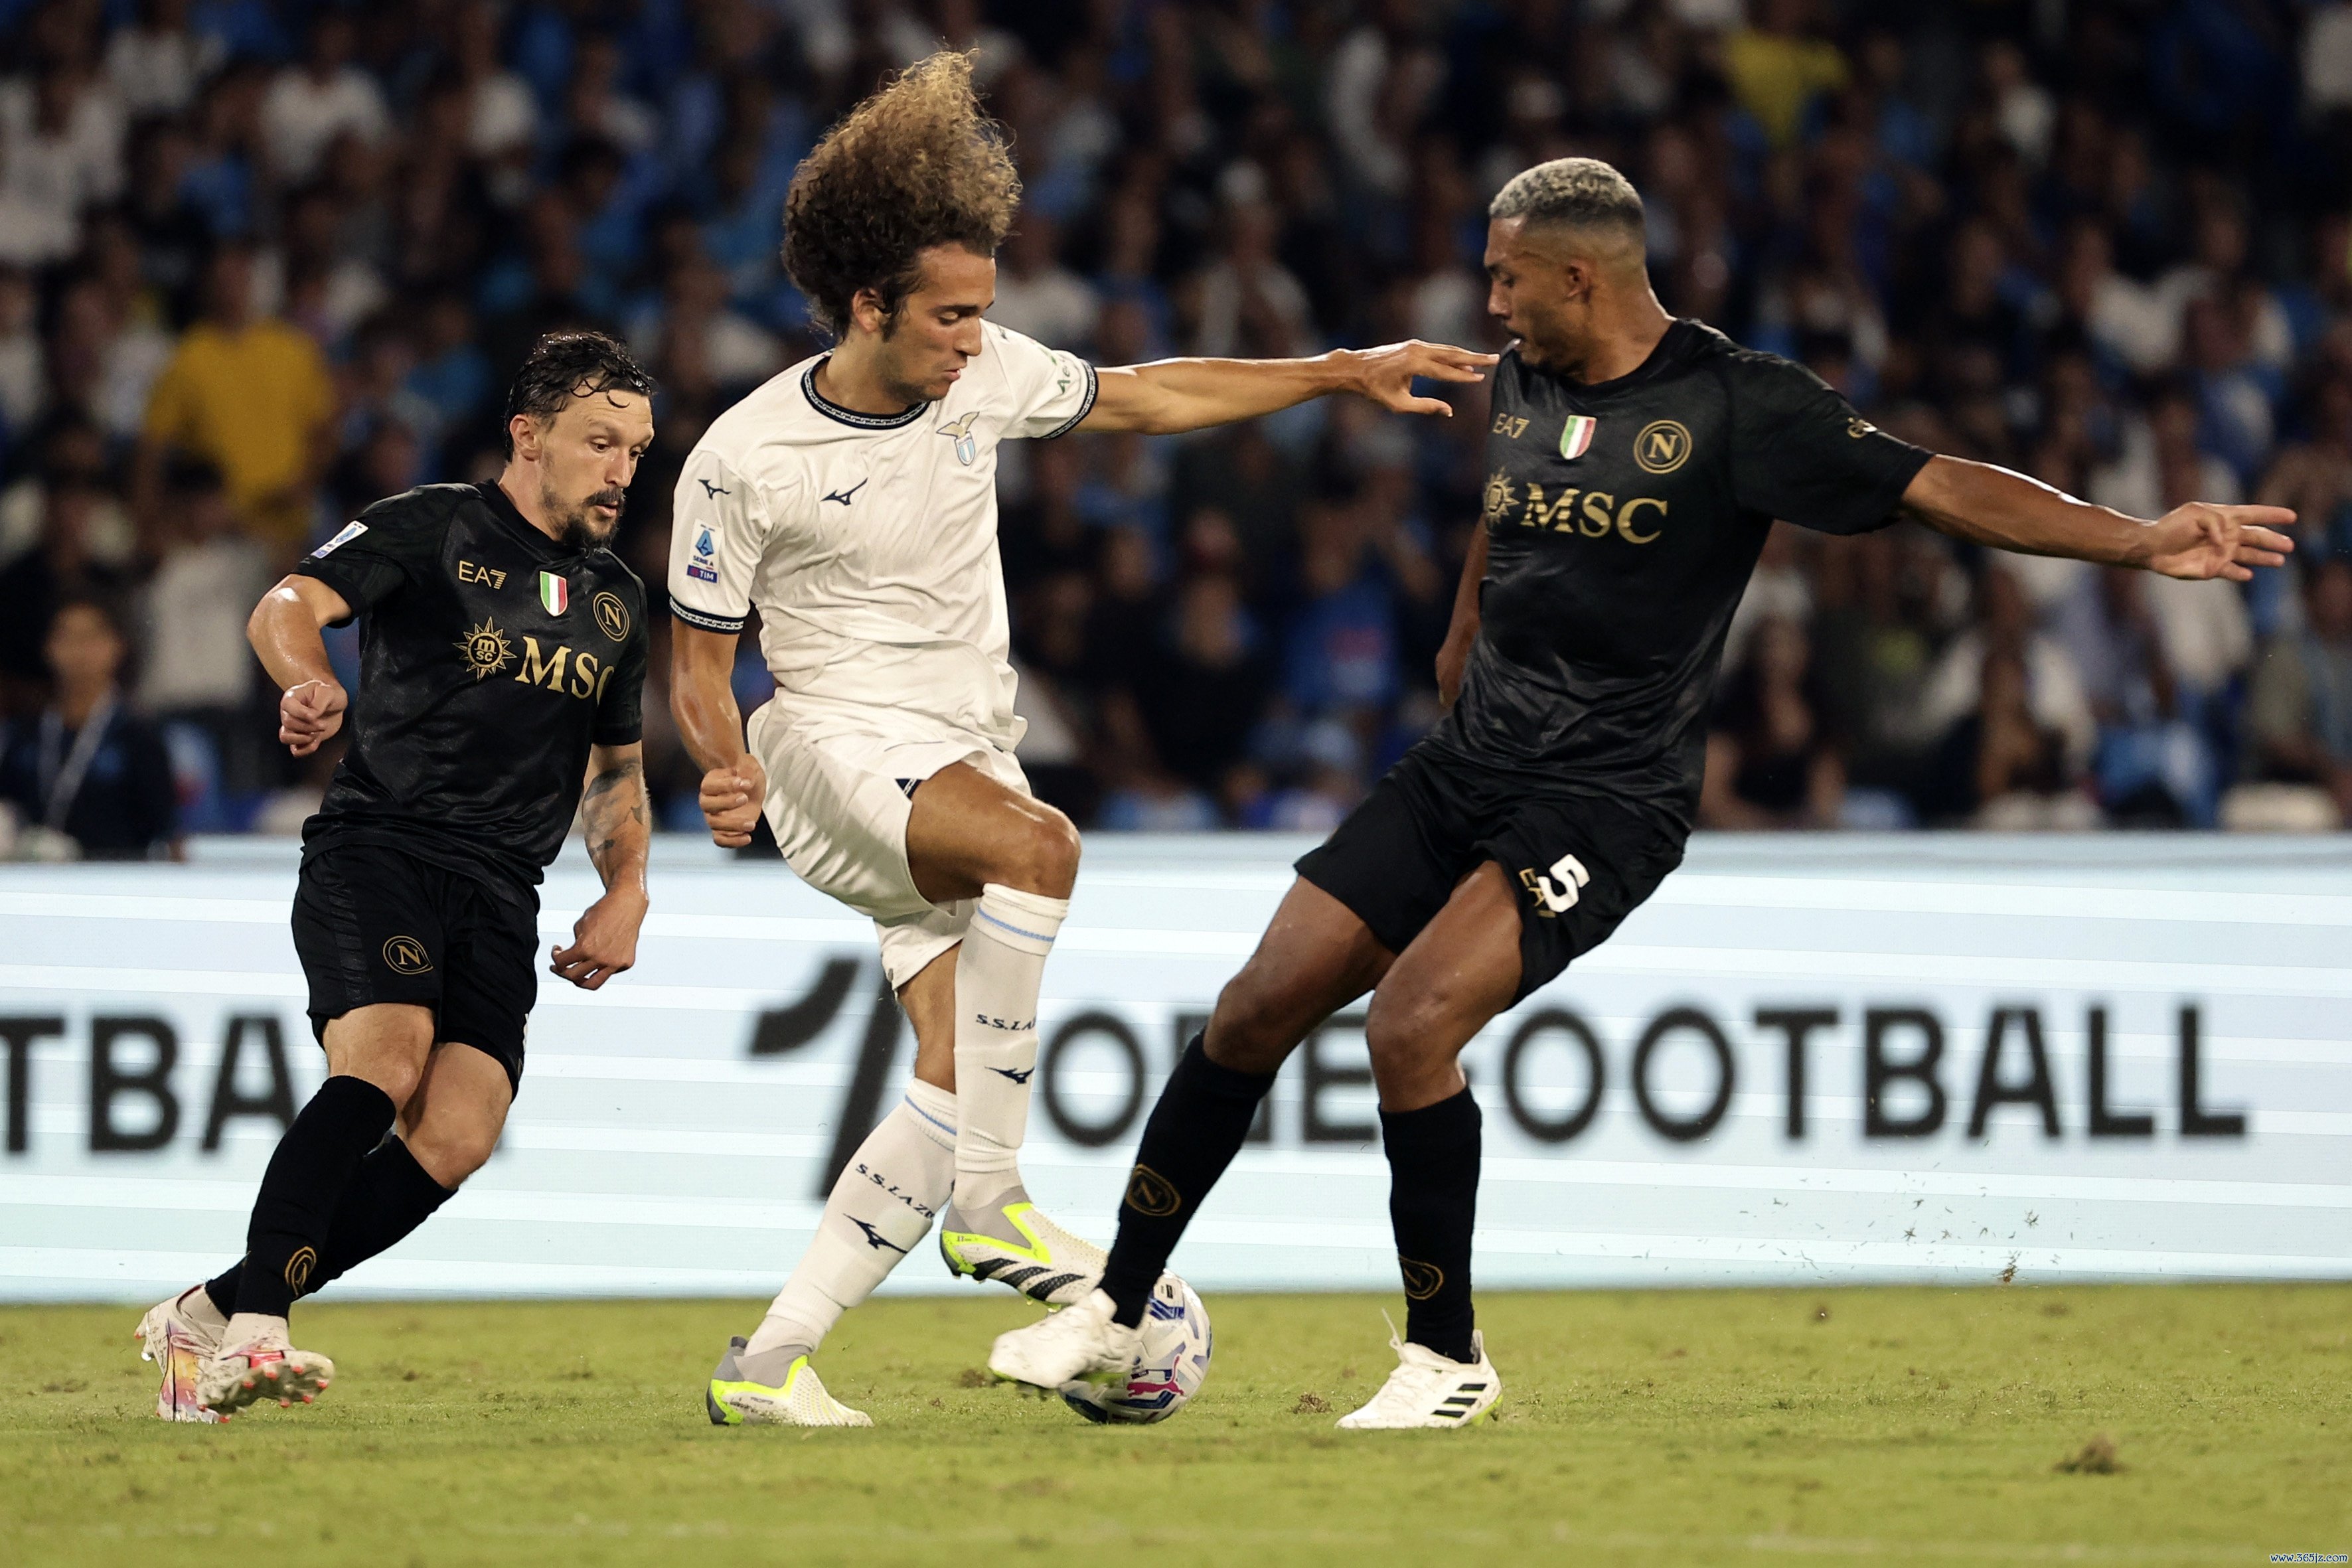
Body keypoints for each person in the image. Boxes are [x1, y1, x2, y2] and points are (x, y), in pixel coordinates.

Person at [987, 156, 2296, 1429]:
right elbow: (1509, 506)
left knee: (1409, 1026)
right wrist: (1461, 627)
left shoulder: (1738, 405)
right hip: (1467, 761)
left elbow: (1934, 485)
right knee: (1253, 1004)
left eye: (1506, 280)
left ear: (1579, 277)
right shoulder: (1521, 377)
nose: (1488, 304)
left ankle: (1444, 1355)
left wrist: (2134, 538)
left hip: (1604, 797)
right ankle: (1116, 1303)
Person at [664, 51, 1491, 1427]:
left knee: (946, 1079)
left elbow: (1150, 394)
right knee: (1040, 851)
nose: (972, 339)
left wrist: (1337, 371)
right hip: (826, 743)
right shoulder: (744, 456)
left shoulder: (982, 377)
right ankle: (996, 1203)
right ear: (866, 305)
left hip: (954, 754)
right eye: (949, 316)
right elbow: (696, 661)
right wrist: (722, 761)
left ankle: (767, 1362)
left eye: (983, 313)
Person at [129, 332, 658, 1421]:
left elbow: (613, 768)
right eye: (599, 443)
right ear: (528, 436)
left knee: (458, 1134)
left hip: (504, 888)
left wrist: (627, 888)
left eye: (636, 451)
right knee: (386, 1057)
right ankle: (260, 1332)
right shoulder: (432, 524)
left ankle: (208, 1309)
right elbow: (284, 606)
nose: (621, 470)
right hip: (382, 847)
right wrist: (307, 680)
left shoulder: (615, 599)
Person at [0, 595, 179, 859]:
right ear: (48, 647)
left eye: (91, 637)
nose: (79, 651)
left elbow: (165, 829)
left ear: (118, 646)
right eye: (67, 637)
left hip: (117, 876)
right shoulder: (25, 734)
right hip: (36, 875)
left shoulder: (139, 736)